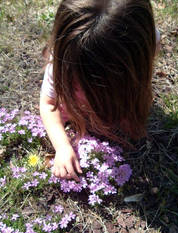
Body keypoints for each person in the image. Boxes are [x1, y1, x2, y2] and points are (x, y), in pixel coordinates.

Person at [40, 0, 160, 182]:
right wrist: (63, 147)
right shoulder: (62, 62)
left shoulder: (147, 42)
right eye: (81, 80)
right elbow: (48, 103)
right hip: (73, 105)